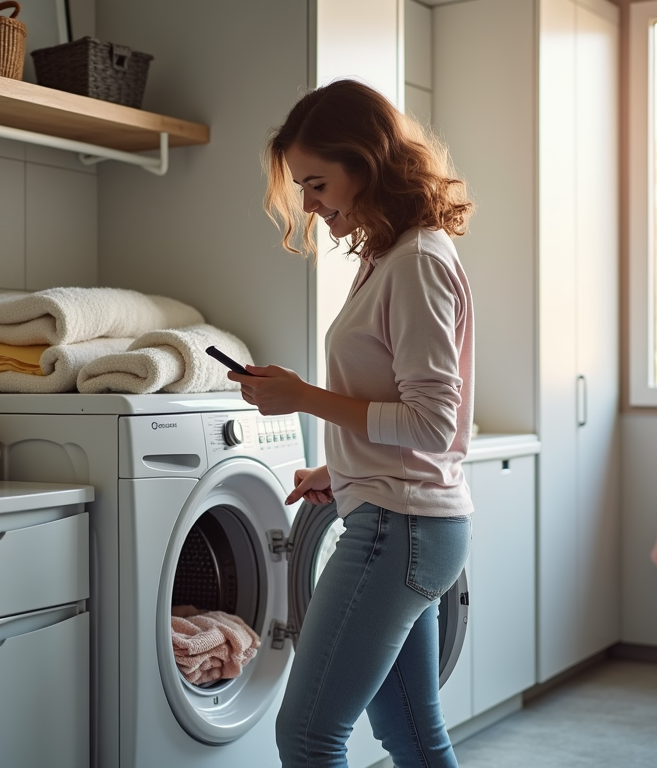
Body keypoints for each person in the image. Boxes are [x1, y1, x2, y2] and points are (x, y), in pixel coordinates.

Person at [227, 79, 475, 768]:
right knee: (412, 737)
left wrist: (303, 397)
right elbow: (405, 413)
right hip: (406, 521)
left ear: (364, 163)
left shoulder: (417, 261)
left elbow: (433, 423)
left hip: (398, 531)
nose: (308, 204)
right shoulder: (389, 256)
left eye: (316, 182)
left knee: (308, 736)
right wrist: (341, 469)